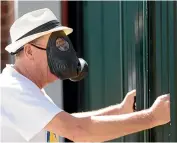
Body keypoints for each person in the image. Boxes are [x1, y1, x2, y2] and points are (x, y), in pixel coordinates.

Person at [0, 8, 170, 142]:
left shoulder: (26, 88)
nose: (63, 53)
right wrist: (152, 118)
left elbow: (65, 122)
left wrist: (120, 111)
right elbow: (77, 130)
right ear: (29, 51)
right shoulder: (14, 90)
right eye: (55, 46)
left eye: (63, 44)